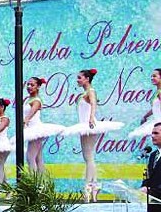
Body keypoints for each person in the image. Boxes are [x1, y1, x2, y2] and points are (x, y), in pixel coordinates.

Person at [62, 69, 124, 202]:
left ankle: (87, 187)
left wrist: (91, 117)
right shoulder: (84, 93)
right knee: (88, 157)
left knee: (89, 157)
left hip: (89, 125)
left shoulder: (91, 91)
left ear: (87, 79)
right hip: (83, 125)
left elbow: (94, 104)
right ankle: (95, 185)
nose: (77, 80)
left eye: (80, 78)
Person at [23, 77, 65, 173]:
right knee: (38, 158)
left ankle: (33, 180)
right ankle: (42, 180)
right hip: (31, 129)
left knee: (30, 157)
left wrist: (25, 121)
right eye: (28, 84)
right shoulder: (28, 99)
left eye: (32, 85)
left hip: (35, 130)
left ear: (38, 87)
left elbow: (31, 114)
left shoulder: (36, 101)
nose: (29, 86)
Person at [130, 68, 161, 139]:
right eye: (151, 76)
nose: (152, 78)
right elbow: (155, 108)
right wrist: (145, 116)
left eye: (154, 76)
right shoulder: (157, 91)